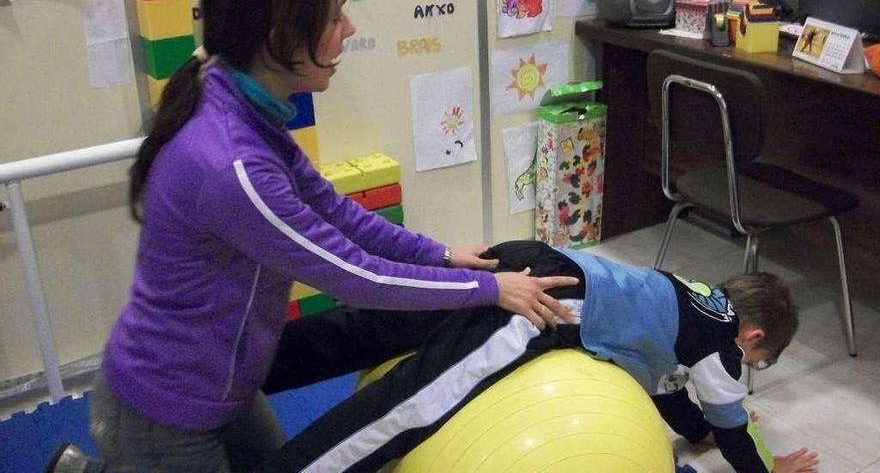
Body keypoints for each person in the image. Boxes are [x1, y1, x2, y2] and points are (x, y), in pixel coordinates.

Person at [46, 0, 578, 471]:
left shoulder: (240, 97)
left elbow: (335, 212)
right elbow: (358, 277)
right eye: (334, 16)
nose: (349, 30)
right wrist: (487, 288)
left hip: (226, 385)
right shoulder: (233, 165)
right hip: (165, 413)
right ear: (279, 36)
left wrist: (439, 255)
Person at [252, 240, 820, 473]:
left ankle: (250, 366)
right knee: (413, 403)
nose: (745, 371)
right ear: (753, 338)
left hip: (528, 257)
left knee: (375, 330)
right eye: (758, 363)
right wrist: (765, 467)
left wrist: (695, 430)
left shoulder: (691, 299)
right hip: (548, 303)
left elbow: (668, 385)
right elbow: (735, 427)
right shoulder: (722, 349)